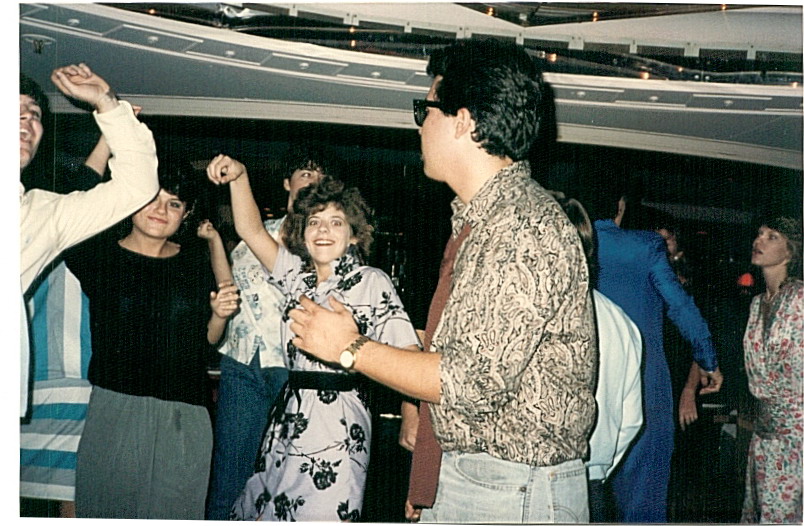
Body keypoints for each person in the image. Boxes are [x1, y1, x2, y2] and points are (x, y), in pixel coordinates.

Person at [286, 39, 598, 523]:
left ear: (463, 121)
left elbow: (468, 383)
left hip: (510, 487)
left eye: (425, 108)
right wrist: (431, 476)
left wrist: (350, 348)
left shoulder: (522, 226)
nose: (420, 124)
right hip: (479, 477)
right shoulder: (483, 222)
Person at [207, 155, 421, 521]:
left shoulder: (372, 281)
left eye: (336, 222)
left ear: (354, 234)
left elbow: (410, 352)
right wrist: (240, 177)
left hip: (337, 423)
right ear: (302, 234)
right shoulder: (296, 276)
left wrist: (410, 413)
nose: (323, 230)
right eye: (314, 222)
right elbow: (251, 230)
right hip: (287, 417)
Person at [65, 163, 239, 519]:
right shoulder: (100, 256)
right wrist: (109, 137)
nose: (161, 210)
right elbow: (72, 203)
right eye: (151, 199)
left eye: (174, 204)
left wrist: (219, 316)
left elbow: (205, 342)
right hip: (116, 407)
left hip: (184, 414)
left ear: (186, 214)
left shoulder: (194, 262)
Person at [20, 64, 159, 418]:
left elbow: (137, 186)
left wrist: (106, 103)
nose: (26, 120)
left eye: (34, 113)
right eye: (13, 109)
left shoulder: (41, 213)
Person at [204, 144, 335, 520]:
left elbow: (250, 229)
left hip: (291, 369)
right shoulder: (259, 233)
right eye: (305, 173)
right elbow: (231, 284)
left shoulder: (324, 242)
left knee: (283, 481)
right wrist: (215, 244)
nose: (313, 181)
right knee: (229, 477)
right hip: (242, 363)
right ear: (287, 183)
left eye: (321, 176)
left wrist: (239, 176)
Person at [593, 182, 723, 522]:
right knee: (644, 497)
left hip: (585, 382)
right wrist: (708, 359)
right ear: (621, 205)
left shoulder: (565, 243)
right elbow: (680, 306)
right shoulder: (644, 247)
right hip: (644, 382)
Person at [20, 115, 124, 517]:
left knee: (73, 487)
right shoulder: (40, 221)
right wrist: (109, 137)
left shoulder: (105, 239)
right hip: (31, 373)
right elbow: (82, 184)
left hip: (78, 373)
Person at [550, 192, 644, 523]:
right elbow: (631, 420)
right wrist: (600, 467)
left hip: (540, 485)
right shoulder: (621, 320)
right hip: (593, 485)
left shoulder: (530, 315)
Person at [741, 216, 802, 523]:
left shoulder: (801, 300)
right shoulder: (756, 304)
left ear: (790, 252)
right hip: (765, 433)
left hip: (798, 434)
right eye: (759, 234)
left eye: (772, 237)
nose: (759, 240)